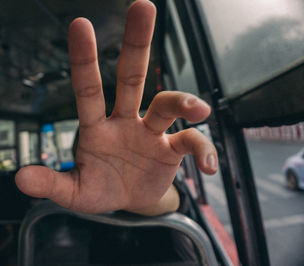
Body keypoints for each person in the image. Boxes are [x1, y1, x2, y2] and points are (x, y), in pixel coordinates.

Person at [15, 0, 218, 216]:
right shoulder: (74, 204)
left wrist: (137, 198)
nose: (116, 144)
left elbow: (174, 201)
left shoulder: (154, 179)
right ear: (80, 150)